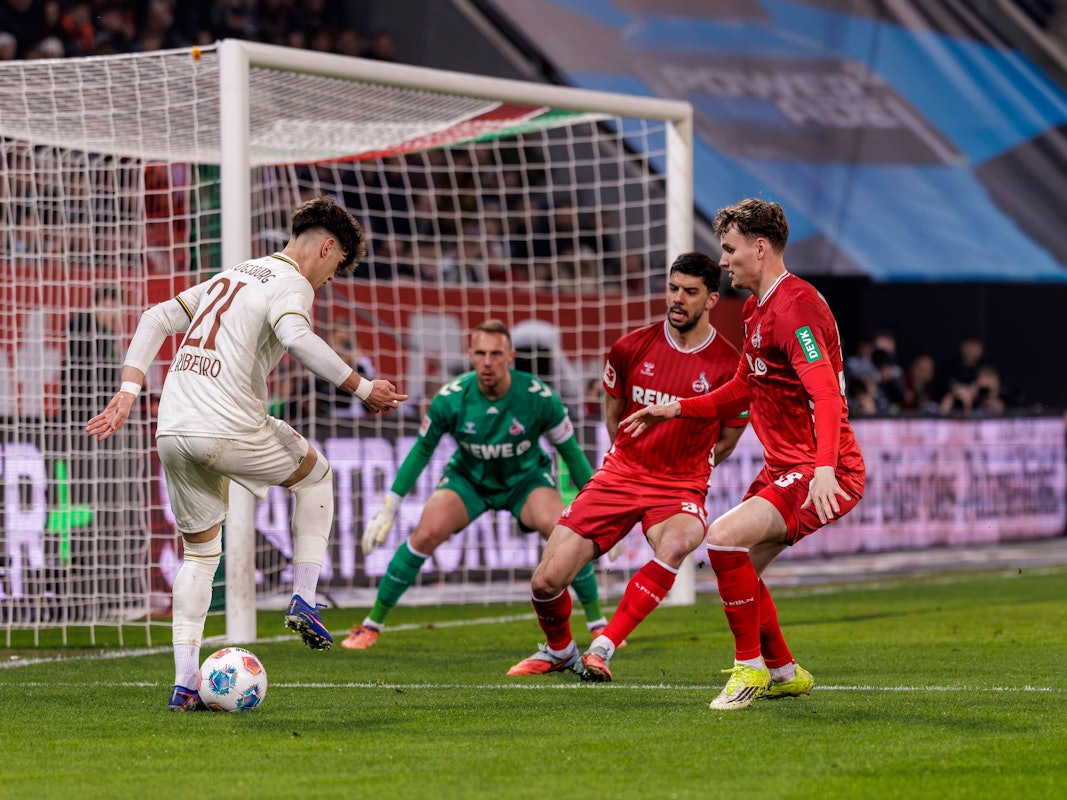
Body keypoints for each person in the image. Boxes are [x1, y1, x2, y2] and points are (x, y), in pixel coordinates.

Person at [85, 196, 408, 711]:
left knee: (199, 554)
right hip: (226, 425)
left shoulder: (234, 274)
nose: (327, 282)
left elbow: (154, 317)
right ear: (327, 248)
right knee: (316, 475)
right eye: (335, 269)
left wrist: (128, 390)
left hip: (172, 428)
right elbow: (298, 339)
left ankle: (185, 685)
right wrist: (362, 387)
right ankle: (304, 595)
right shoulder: (293, 282)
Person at [621, 198, 865, 710]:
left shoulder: (795, 308)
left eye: (729, 249)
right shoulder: (756, 309)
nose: (724, 260)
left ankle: (748, 668)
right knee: (741, 571)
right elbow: (740, 388)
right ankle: (782, 671)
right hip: (788, 466)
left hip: (823, 469)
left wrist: (823, 470)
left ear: (759, 247)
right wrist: (678, 409)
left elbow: (825, 394)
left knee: (723, 538)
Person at [506, 251, 748, 680]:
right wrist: (628, 455)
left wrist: (692, 464)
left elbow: (728, 436)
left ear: (712, 299)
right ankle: (560, 650)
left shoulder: (730, 365)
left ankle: (602, 646)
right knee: (545, 581)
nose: (677, 299)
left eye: (690, 292)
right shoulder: (630, 347)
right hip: (621, 474)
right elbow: (614, 415)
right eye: (673, 288)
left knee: (676, 544)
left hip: (679, 485)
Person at [341, 319, 609, 650]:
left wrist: (600, 509)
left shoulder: (540, 398)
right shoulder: (450, 398)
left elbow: (572, 454)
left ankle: (598, 625)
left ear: (510, 356)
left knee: (563, 532)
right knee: (425, 534)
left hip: (525, 480)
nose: (487, 361)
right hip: (469, 480)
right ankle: (371, 624)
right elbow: (422, 450)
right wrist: (388, 508)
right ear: (470, 354)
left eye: (495, 354)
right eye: (480, 353)